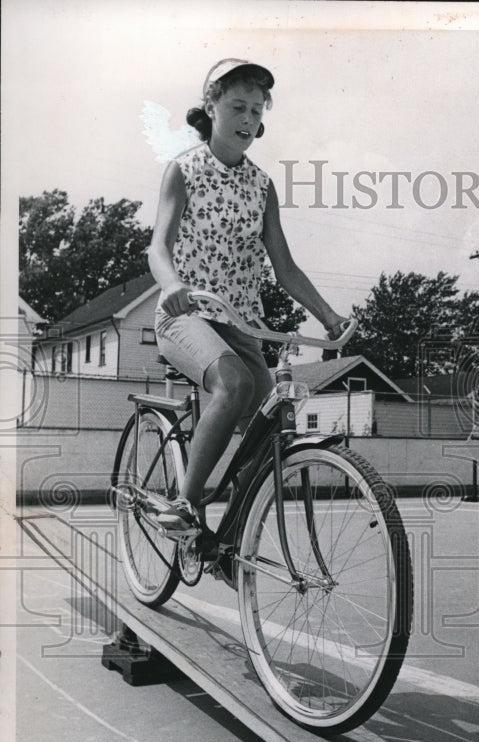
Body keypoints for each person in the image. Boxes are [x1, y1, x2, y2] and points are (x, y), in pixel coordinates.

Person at [147, 58, 348, 534]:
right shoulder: (184, 170)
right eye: (238, 106)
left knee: (270, 432)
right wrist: (173, 285)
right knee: (234, 385)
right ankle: (185, 504)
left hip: (240, 325)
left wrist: (329, 315)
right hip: (185, 316)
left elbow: (285, 267)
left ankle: (229, 546)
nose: (248, 119)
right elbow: (158, 246)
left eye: (257, 111)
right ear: (211, 106)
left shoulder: (262, 186)